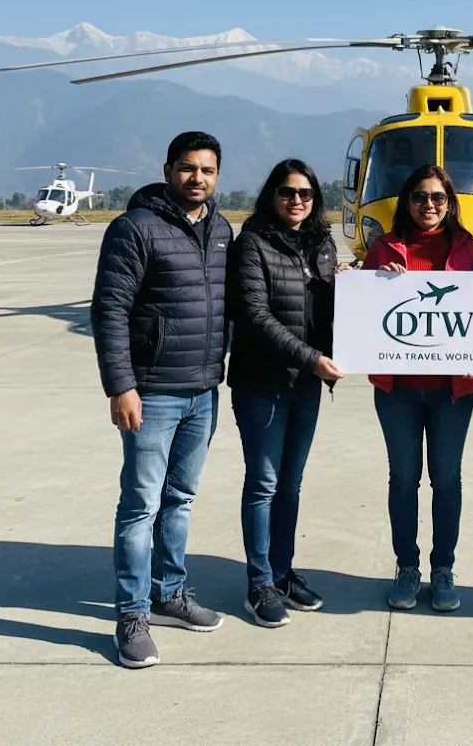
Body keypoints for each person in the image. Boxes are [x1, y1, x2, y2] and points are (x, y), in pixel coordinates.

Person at [91, 131, 231, 669]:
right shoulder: (134, 228)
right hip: (152, 392)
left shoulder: (220, 228)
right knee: (140, 504)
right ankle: (131, 613)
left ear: (218, 176)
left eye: (208, 170)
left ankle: (168, 593)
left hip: (203, 390)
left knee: (181, 499)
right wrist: (120, 386)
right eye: (188, 168)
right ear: (169, 168)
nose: (198, 178)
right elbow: (109, 311)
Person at [227, 158, 348, 628]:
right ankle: (258, 584)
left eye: (305, 193)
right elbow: (254, 316)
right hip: (262, 383)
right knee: (263, 484)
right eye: (286, 192)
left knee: (290, 485)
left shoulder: (320, 242)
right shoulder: (253, 243)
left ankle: (281, 571)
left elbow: (325, 306)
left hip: (306, 385)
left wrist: (369, 283)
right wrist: (312, 357)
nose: (296, 200)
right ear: (270, 195)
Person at [363, 165, 473, 612]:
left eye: (438, 197)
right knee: (403, 478)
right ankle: (407, 565)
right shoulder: (383, 247)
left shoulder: (469, 250)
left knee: (447, 479)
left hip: (452, 392)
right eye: (419, 196)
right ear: (406, 201)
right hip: (396, 389)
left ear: (451, 202)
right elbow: (362, 310)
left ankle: (444, 566)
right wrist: (368, 280)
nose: (429, 205)